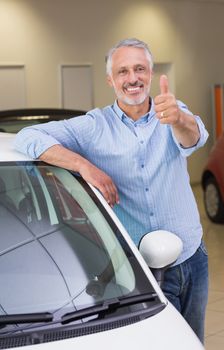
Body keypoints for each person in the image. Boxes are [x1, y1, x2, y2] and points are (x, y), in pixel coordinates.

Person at [14, 38, 209, 343]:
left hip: (193, 256)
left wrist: (180, 118)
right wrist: (83, 165)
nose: (132, 78)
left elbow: (193, 138)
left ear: (150, 73)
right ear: (110, 79)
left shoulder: (171, 110)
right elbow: (27, 136)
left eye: (140, 69)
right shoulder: (94, 127)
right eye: (123, 71)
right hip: (142, 272)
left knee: (193, 340)